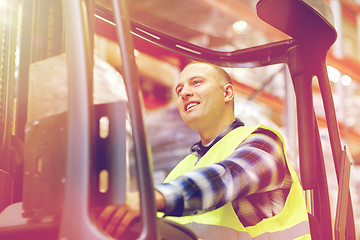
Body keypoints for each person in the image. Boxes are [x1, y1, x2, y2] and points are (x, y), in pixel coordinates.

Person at [97, 62, 311, 239]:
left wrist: (151, 198)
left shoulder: (263, 141)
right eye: (179, 90)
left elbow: (227, 179)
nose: (184, 93)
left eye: (196, 83)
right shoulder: (184, 166)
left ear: (227, 93)